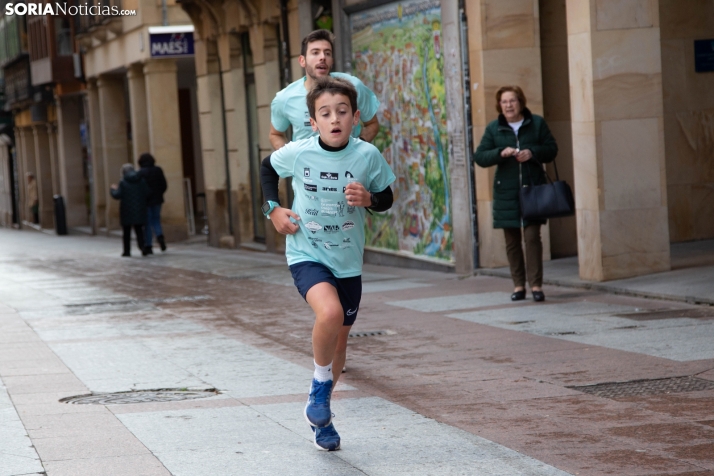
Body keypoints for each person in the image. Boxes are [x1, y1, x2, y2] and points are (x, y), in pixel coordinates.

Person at [260, 77, 395, 451]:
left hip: (348, 261)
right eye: (325, 113)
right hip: (307, 251)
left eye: (341, 112)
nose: (334, 119)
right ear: (313, 121)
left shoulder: (367, 155)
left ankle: (322, 418)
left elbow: (386, 197)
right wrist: (273, 209)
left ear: (354, 117)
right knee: (330, 313)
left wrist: (368, 199)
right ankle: (318, 390)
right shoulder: (300, 152)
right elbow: (267, 169)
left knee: (339, 343)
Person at [474, 85, 558, 302]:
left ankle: (536, 285)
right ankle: (519, 285)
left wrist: (533, 152)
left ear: (520, 102)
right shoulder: (495, 128)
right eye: (504, 102)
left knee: (532, 238)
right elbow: (480, 156)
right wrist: (501, 153)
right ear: (499, 105)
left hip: (533, 190)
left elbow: (552, 149)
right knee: (511, 241)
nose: (508, 105)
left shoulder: (536, 123)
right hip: (506, 192)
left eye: (512, 101)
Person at [269, 29, 380, 150]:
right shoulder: (285, 97)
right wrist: (290, 159)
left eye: (327, 53)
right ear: (302, 60)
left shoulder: (353, 87)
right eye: (315, 53)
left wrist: (357, 149)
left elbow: (372, 124)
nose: (322, 57)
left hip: (348, 167)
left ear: (332, 61)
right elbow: (275, 134)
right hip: (308, 167)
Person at [110, 164, 151, 257]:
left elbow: (117, 195)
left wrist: (112, 190)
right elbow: (147, 192)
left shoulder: (123, 182)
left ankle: (127, 251)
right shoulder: (141, 180)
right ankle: (142, 247)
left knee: (126, 232)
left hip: (126, 210)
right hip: (140, 209)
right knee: (139, 230)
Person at [136, 153, 168, 254]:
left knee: (148, 223)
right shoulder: (158, 170)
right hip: (157, 199)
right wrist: (159, 193)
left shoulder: (140, 172)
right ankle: (160, 236)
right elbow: (164, 184)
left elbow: (139, 188)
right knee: (156, 219)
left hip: (146, 201)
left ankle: (149, 245)